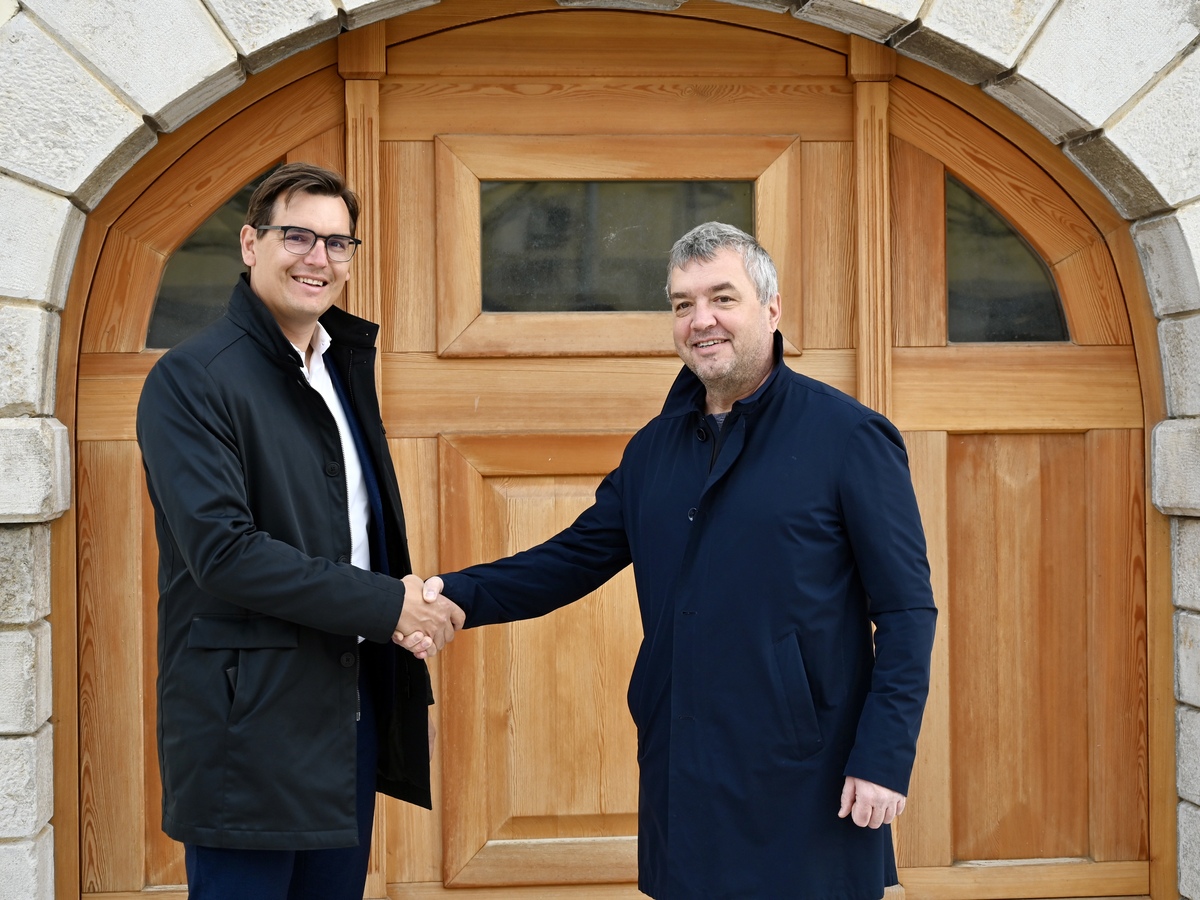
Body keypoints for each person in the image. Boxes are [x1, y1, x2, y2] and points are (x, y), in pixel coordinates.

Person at [416, 222, 937, 899]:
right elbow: (571, 559)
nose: (701, 320)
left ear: (772, 309)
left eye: (722, 298)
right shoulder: (654, 449)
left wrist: (884, 757)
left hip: (808, 775)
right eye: (682, 303)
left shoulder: (848, 436)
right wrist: (453, 596)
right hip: (682, 767)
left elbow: (905, 610)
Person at [136, 162, 463, 900]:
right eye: (297, 237)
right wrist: (388, 605)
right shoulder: (191, 379)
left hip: (347, 708)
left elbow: (357, 535)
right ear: (250, 243)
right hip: (245, 722)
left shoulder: (340, 368)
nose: (318, 258)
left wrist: (401, 642)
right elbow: (224, 553)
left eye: (337, 243)